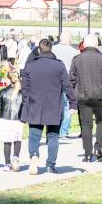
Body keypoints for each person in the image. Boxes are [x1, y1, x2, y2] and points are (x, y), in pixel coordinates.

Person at [20, 40, 74, 175]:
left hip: (35, 103)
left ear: (39, 49)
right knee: (53, 136)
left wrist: (26, 101)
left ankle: (34, 155)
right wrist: (73, 102)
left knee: (34, 134)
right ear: (51, 50)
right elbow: (67, 85)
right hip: (54, 104)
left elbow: (25, 88)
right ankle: (50, 165)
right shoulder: (59, 66)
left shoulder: (31, 66)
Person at [69, 34, 102, 162]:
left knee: (86, 125)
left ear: (84, 45)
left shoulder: (77, 59)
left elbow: (71, 80)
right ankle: (98, 147)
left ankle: (88, 153)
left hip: (83, 96)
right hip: (100, 95)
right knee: (101, 121)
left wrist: (72, 99)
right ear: (96, 44)